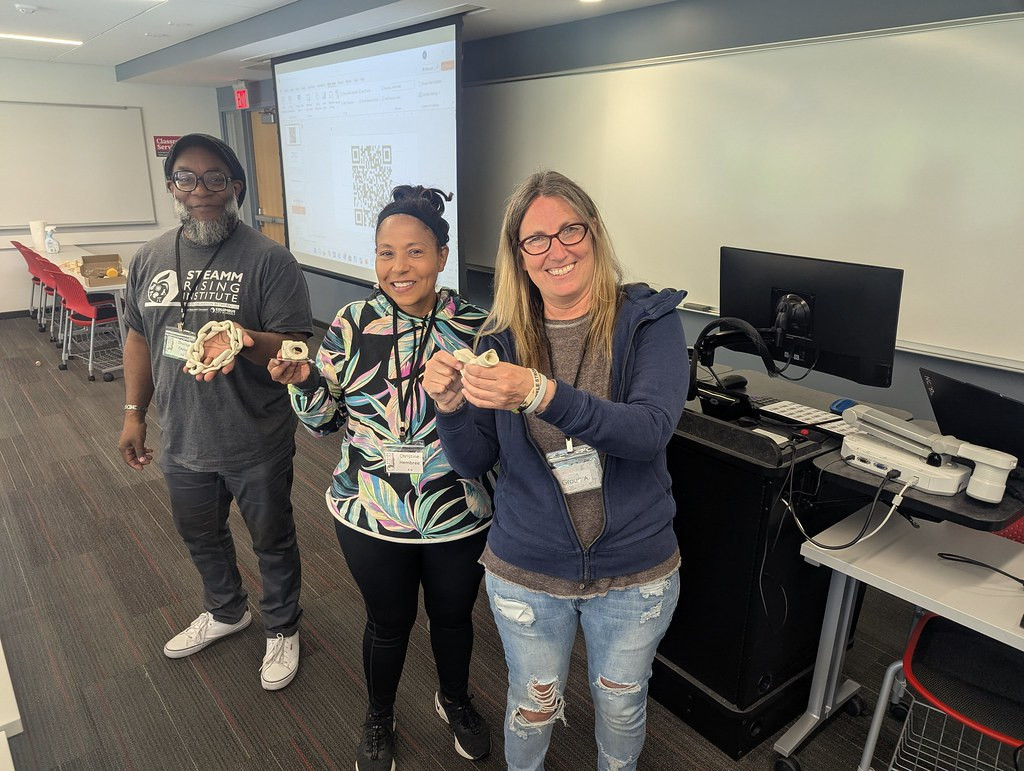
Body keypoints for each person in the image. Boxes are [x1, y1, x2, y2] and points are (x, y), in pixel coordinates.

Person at [422, 171, 689, 771]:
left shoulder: (648, 322)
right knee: (532, 706)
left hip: (634, 568)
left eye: (570, 230)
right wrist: (449, 408)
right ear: (519, 257)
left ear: (594, 234)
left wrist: (541, 393)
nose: (556, 250)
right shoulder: (501, 339)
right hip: (528, 566)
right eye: (535, 240)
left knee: (620, 707)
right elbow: (473, 461)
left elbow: (647, 433)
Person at [268, 186, 493, 770]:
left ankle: (456, 699)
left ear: (443, 255)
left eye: (415, 252)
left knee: (452, 616)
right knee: (387, 623)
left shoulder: (477, 326)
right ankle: (379, 715)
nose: (399, 267)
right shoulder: (351, 322)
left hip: (456, 506)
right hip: (369, 506)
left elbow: (496, 422)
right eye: (386, 253)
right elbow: (324, 422)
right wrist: (302, 381)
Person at [118, 133, 313, 691]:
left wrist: (242, 339)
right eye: (186, 178)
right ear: (172, 187)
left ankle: (282, 625)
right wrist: (135, 412)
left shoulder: (270, 260)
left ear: (236, 189)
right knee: (200, 533)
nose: (200, 190)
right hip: (182, 438)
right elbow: (137, 336)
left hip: (254, 437)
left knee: (271, 538)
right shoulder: (150, 257)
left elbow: (295, 347)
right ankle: (228, 610)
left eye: (214, 179)